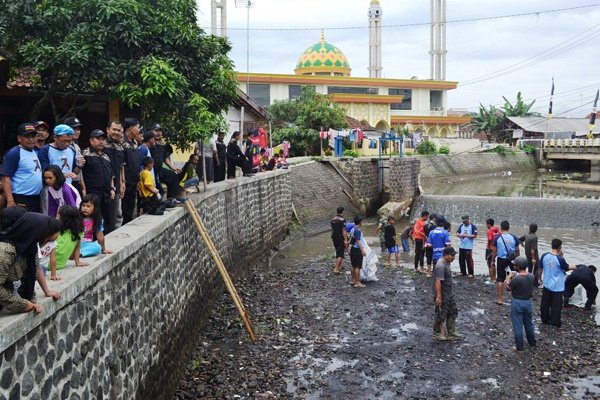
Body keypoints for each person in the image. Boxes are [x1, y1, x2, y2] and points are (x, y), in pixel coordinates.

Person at [0, 212, 62, 314]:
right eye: (46, 240)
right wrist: (22, 305)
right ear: (34, 233)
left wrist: (31, 302)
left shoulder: (29, 250)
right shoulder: (4, 252)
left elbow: (32, 274)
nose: (45, 244)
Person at [1, 123, 44, 212]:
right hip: (21, 199)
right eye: (27, 137)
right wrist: (10, 201)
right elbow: (5, 178)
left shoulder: (33, 151)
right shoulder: (14, 153)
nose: (31, 140)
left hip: (35, 198)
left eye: (33, 136)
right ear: (19, 138)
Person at [81, 129, 115, 231]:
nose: (101, 141)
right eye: (98, 139)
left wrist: (112, 188)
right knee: (93, 219)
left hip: (106, 193)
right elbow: (80, 173)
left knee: (107, 218)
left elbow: (111, 174)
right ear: (91, 140)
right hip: (93, 193)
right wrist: (84, 190)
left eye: (103, 139)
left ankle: (105, 239)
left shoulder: (106, 156)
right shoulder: (85, 153)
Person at [539, 239, 576, 328]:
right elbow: (566, 268)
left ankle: (544, 319)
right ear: (560, 247)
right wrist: (576, 267)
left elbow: (540, 268)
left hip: (547, 283)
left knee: (545, 303)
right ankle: (554, 322)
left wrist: (539, 278)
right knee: (556, 305)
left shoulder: (544, 255)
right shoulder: (560, 259)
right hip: (557, 286)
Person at [506, 256, 537, 353]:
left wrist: (509, 278)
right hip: (528, 302)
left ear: (518, 267)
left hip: (517, 302)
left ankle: (520, 348)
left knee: (518, 325)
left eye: (515, 265)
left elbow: (508, 288)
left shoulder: (516, 279)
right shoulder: (532, 276)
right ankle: (532, 344)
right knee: (529, 324)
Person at [49, 205, 88, 280]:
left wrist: (53, 275)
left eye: (58, 216)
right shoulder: (78, 232)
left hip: (48, 263)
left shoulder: (56, 230)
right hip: (59, 265)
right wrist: (77, 262)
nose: (56, 217)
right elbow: (77, 246)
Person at [432, 247, 463, 341]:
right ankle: (436, 333)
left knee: (453, 311)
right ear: (445, 255)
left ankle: (451, 332)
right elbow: (438, 281)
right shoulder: (441, 266)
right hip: (443, 294)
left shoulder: (447, 262)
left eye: (454, 255)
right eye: (452, 255)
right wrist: (439, 296)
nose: (453, 257)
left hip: (449, 293)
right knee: (440, 314)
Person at [103, 120, 126, 232]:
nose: (116, 132)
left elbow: (121, 166)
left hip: (117, 184)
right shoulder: (102, 145)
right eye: (114, 129)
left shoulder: (120, 147)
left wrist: (122, 183)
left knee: (116, 214)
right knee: (106, 214)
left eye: (119, 130)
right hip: (104, 185)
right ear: (108, 130)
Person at [491, 221, 520, 305]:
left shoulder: (498, 237)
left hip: (501, 259)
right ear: (509, 227)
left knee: (500, 279)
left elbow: (494, 250)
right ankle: (515, 298)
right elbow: (517, 250)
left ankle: (500, 299)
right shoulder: (514, 237)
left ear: (501, 228)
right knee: (514, 277)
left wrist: (493, 260)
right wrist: (518, 259)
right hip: (512, 259)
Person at [151, 123, 181, 200]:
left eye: (160, 131)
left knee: (172, 176)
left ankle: (171, 198)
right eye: (156, 131)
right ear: (151, 131)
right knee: (159, 189)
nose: (158, 133)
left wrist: (173, 167)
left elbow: (165, 158)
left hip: (160, 169)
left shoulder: (162, 144)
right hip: (151, 170)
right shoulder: (150, 143)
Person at [121, 118, 141, 224]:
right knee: (124, 205)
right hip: (126, 179)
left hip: (134, 179)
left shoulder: (135, 143)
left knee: (131, 204)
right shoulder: (122, 142)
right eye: (137, 127)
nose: (139, 130)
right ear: (131, 128)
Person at [63, 117, 86, 195]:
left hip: (77, 183)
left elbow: (80, 169)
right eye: (74, 129)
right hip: (66, 183)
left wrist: (83, 187)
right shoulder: (62, 146)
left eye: (78, 129)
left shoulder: (76, 147)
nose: (77, 132)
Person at [349, 215, 367, 288]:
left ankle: (352, 279)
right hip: (357, 250)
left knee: (353, 265)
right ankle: (357, 282)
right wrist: (362, 250)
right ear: (360, 222)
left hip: (353, 249)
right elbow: (357, 240)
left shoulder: (353, 229)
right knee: (358, 266)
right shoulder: (357, 230)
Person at [331, 206, 348, 275]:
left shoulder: (333, 219)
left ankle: (340, 266)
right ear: (343, 212)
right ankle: (336, 268)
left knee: (337, 250)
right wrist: (346, 240)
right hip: (340, 238)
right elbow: (343, 230)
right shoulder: (342, 220)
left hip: (334, 237)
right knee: (341, 253)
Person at [485, 218, 500, 286]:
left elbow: (490, 239)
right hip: (496, 249)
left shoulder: (490, 231)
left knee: (489, 263)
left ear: (489, 224)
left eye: (487, 224)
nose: (486, 226)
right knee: (493, 262)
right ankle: (494, 278)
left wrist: (489, 245)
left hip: (490, 249)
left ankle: (491, 280)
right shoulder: (498, 231)